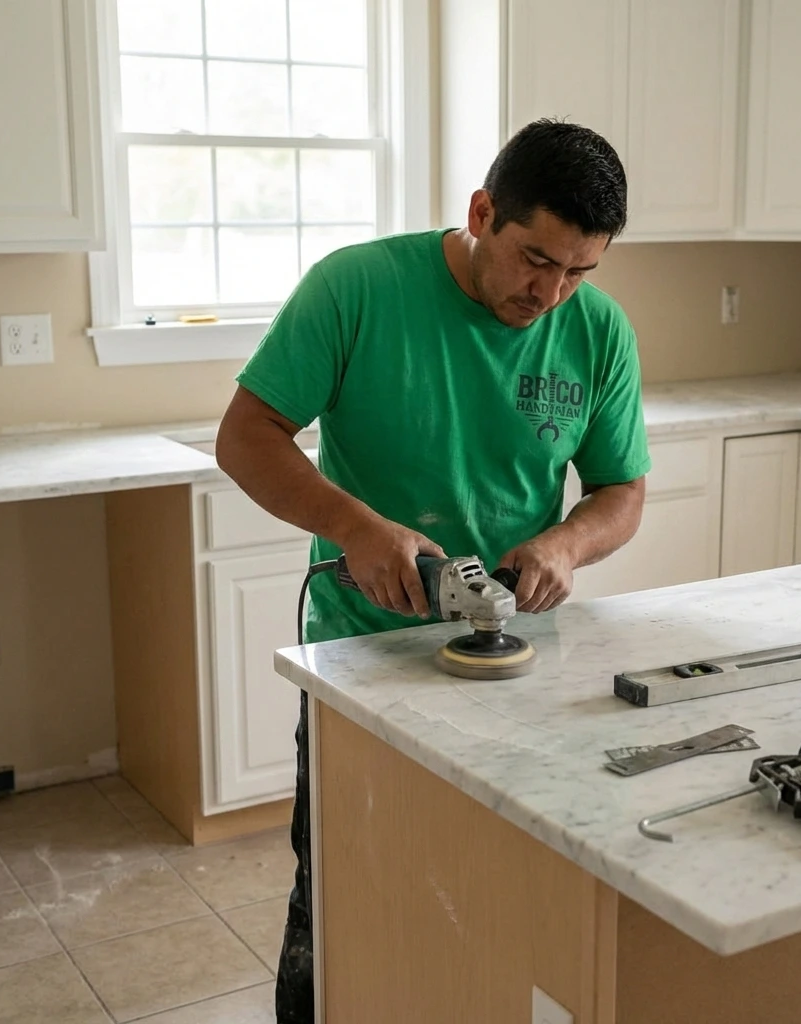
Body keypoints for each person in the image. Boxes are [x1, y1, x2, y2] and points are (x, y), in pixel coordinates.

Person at [215, 117, 652, 1023]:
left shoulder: (597, 332)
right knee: (341, 901)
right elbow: (244, 438)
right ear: (483, 212)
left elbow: (621, 492)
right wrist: (353, 526)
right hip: (363, 665)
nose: (553, 292)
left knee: (495, 900)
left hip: (519, 666)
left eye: (579, 272)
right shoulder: (359, 287)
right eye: (536, 259)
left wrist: (565, 544)